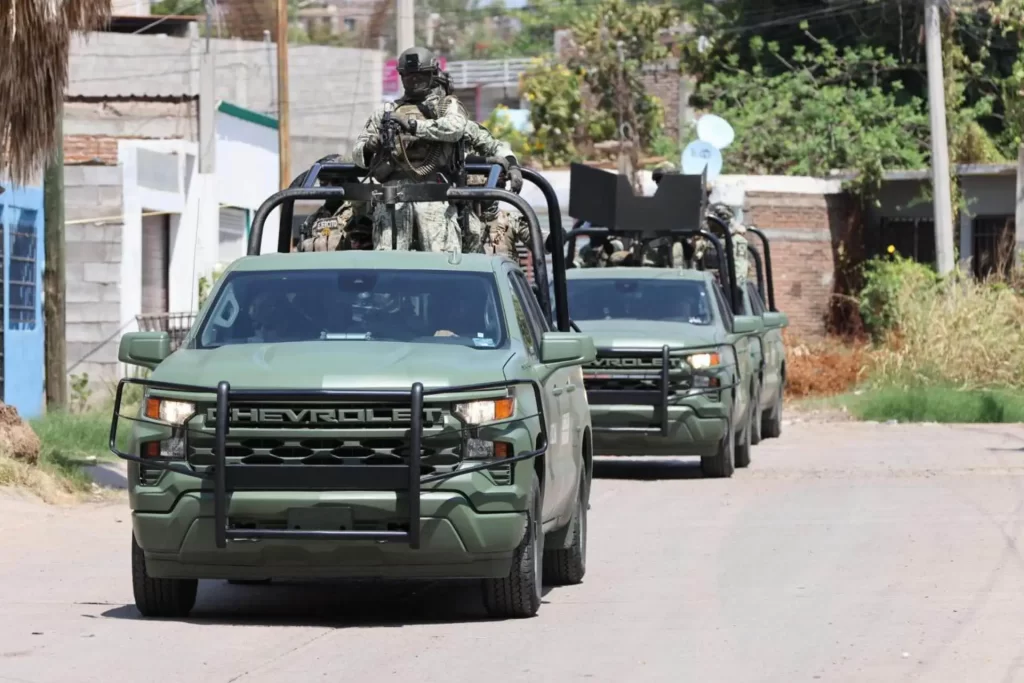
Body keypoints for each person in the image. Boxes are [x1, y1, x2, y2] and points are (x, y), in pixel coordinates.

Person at [351, 46, 469, 253]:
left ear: (432, 74)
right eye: (409, 75)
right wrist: (371, 146)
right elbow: (358, 154)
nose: (414, 80)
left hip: (433, 193)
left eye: (420, 75)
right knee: (389, 262)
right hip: (392, 197)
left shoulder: (445, 106)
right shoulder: (387, 111)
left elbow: (455, 128)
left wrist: (414, 126)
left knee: (440, 262)